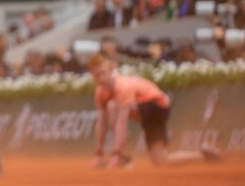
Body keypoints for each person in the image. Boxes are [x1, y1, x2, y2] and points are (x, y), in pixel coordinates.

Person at [88, 53, 219, 168]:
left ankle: (120, 156)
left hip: (156, 106)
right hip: (145, 111)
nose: (100, 78)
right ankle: (202, 155)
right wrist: (98, 153)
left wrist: (116, 155)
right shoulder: (100, 92)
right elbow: (101, 123)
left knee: (112, 106)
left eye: (102, 73)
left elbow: (122, 122)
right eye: (96, 75)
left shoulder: (122, 86)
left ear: (111, 69)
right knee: (161, 161)